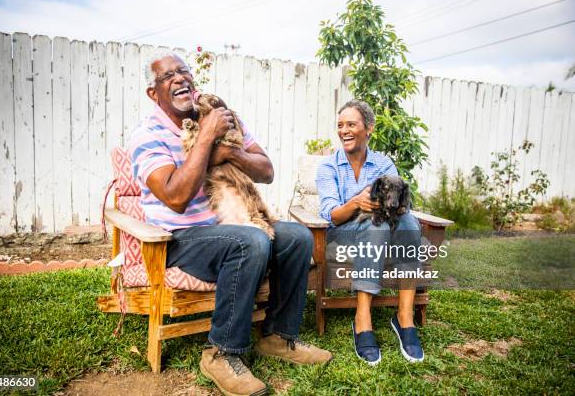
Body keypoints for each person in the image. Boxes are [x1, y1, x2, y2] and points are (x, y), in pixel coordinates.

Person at [128, 52, 332, 396]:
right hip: (180, 239)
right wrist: (207, 140)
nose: (180, 79)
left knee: (297, 236)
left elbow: (266, 170)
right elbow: (175, 197)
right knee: (250, 241)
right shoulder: (147, 135)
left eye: (184, 71)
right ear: (154, 93)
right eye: (168, 77)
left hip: (236, 220)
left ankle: (278, 337)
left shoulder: (220, 118)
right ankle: (221, 354)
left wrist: (231, 152)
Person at [316, 99, 424, 366]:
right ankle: (362, 319)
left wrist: (390, 206)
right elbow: (331, 214)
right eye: (340, 125)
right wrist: (356, 203)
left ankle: (404, 317)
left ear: (369, 129)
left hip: (384, 229)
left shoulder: (384, 164)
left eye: (351, 124)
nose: (344, 130)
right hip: (343, 233)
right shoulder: (328, 167)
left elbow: (400, 203)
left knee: (409, 224)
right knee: (373, 225)